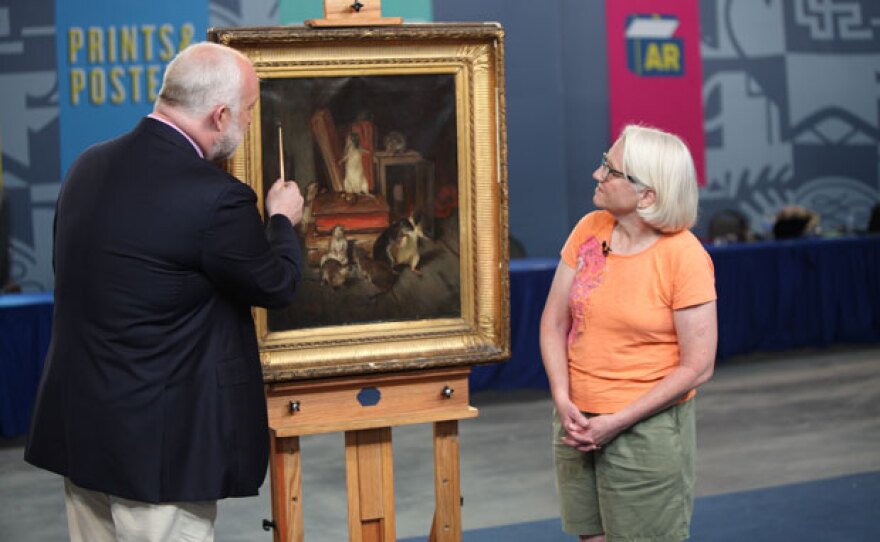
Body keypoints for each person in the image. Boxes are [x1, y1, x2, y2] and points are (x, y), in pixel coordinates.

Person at [25, 42, 305, 541]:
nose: (246, 126)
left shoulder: (88, 165)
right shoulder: (216, 198)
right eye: (247, 113)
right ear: (220, 115)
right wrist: (282, 219)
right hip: (160, 449)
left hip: (85, 433)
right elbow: (277, 283)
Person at [540, 124, 717, 541]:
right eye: (604, 163)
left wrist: (616, 421)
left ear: (648, 195)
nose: (597, 175)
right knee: (590, 535)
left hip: (645, 430)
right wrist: (562, 399)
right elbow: (553, 323)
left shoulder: (684, 257)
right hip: (577, 420)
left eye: (611, 170)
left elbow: (698, 367)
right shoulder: (589, 229)